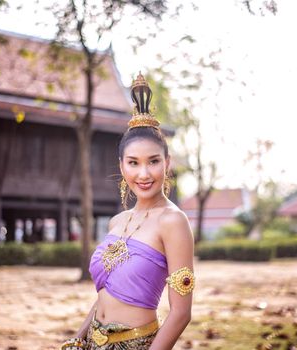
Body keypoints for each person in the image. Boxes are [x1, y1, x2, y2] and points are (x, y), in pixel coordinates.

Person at [60, 73, 195, 350]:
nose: (144, 174)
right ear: (122, 166)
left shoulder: (173, 222)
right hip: (92, 342)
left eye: (153, 161)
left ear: (167, 163)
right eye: (134, 163)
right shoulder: (117, 222)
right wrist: (77, 339)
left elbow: (181, 313)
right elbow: (105, 296)